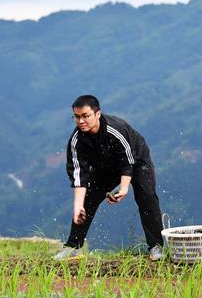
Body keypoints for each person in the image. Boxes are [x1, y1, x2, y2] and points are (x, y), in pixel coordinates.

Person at [53, 94, 165, 260]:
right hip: (106, 167)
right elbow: (79, 176)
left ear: (97, 114)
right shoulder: (76, 141)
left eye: (85, 116)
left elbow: (128, 162)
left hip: (138, 161)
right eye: (76, 117)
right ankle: (73, 247)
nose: (81, 121)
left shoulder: (115, 129)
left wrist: (124, 188)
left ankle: (156, 247)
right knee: (87, 201)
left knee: (146, 197)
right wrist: (78, 206)